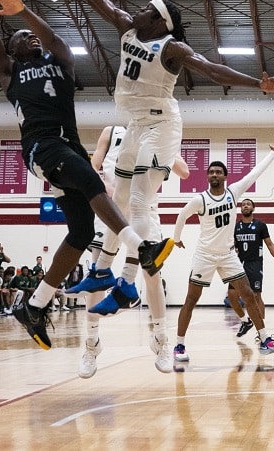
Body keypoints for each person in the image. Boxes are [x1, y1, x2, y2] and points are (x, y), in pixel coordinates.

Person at [41, 0, 274, 368]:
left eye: (147, 9)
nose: (136, 10)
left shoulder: (171, 48)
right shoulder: (128, 30)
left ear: (162, 22)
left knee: (136, 199)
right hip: (135, 124)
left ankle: (130, 285)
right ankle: (108, 290)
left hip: (162, 124)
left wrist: (260, 84)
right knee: (119, 202)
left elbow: (214, 70)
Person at [0, 0, 172, 351]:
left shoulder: (60, 61)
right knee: (90, 178)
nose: (27, 37)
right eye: (19, 36)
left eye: (31, 34)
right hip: (41, 147)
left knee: (81, 232)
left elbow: (55, 41)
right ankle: (141, 249)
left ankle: (34, 304)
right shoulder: (9, 71)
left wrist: (24, 10)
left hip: (67, 145)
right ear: (10, 49)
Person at [69, 125, 190, 376]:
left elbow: (185, 172)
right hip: (110, 207)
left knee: (152, 275)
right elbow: (92, 166)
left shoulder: (159, 134)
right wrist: (104, 189)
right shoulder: (111, 131)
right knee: (97, 276)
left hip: (146, 211)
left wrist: (169, 144)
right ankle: (91, 345)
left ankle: (160, 339)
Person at [173, 144, 274, 361]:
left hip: (228, 255)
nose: (215, 174)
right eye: (211, 171)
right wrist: (177, 239)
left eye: (219, 172)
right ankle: (179, 346)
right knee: (191, 299)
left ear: (225, 176)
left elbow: (255, 173)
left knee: (249, 294)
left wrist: (272, 154)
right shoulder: (200, 199)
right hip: (205, 255)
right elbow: (181, 215)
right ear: (207, 176)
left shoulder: (233, 192)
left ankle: (265, 339)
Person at [228, 198, 274, 337]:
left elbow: (269, 244)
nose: (245, 206)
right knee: (232, 296)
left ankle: (262, 332)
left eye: (248, 204)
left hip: (254, 264)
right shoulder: (236, 227)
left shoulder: (260, 225)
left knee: (256, 296)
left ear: (253, 208)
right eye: (243, 205)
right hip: (238, 264)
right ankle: (245, 321)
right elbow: (231, 244)